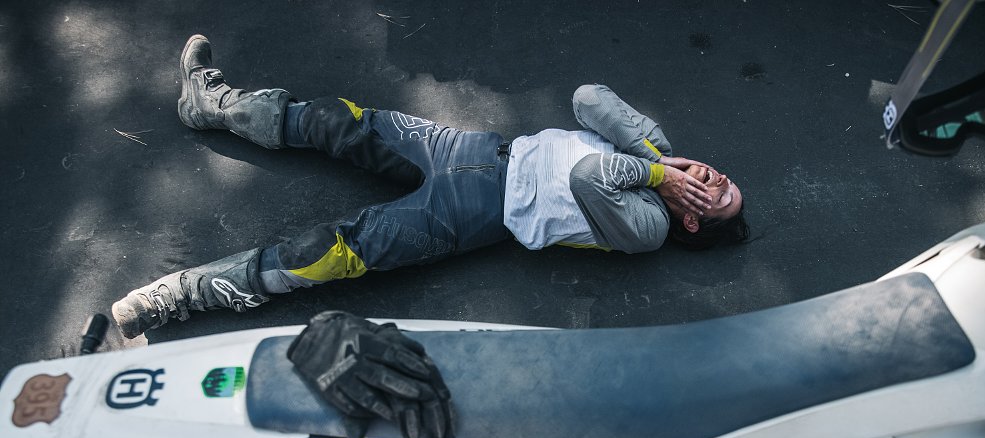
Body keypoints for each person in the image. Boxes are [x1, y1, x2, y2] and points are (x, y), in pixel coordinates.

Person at [112, 35, 748, 339]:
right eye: (725, 178)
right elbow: (589, 99)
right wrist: (658, 153)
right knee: (339, 121)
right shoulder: (654, 150)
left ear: (693, 220)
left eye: (719, 195)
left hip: (470, 212)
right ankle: (209, 105)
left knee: (326, 252)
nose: (717, 178)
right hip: (473, 149)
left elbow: (588, 177)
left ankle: (180, 295)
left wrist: (658, 176)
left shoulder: (649, 228)